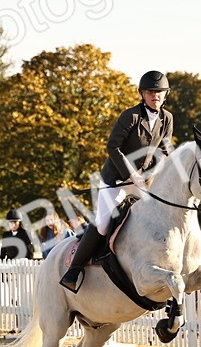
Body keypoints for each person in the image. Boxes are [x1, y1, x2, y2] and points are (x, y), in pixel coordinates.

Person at [60, 70, 174, 291]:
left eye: (159, 92)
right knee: (103, 223)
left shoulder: (167, 118)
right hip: (117, 180)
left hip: (144, 181)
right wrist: (132, 174)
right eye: (150, 92)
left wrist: (150, 174)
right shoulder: (130, 116)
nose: (155, 95)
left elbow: (164, 150)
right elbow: (113, 147)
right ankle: (74, 270)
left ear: (165, 94)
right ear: (142, 94)